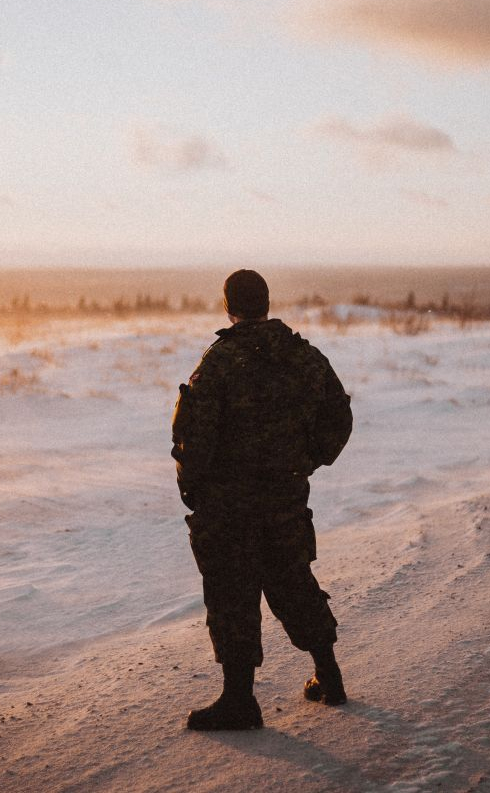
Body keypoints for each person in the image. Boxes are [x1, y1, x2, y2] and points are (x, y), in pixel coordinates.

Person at [171, 269, 353, 730]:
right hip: (285, 495)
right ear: (267, 303)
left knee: (233, 592)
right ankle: (328, 676)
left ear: (227, 305)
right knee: (293, 579)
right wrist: (306, 461)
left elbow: (193, 438)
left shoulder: (219, 363)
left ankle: (239, 701)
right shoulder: (302, 356)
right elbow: (339, 414)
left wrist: (194, 489)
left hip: (230, 503)